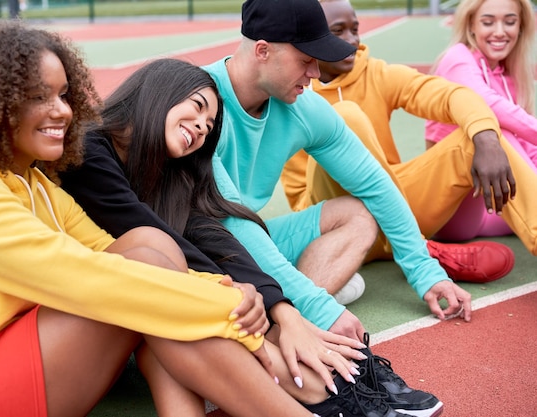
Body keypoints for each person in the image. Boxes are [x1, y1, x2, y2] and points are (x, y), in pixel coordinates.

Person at [0, 21, 324, 417]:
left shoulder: (32, 181)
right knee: (144, 286)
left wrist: (223, 286)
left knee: (149, 245)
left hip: (16, 347)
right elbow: (86, 276)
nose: (63, 112)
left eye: (64, 95)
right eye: (40, 96)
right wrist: (229, 309)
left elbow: (103, 248)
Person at [59, 57, 443, 417]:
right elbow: (155, 239)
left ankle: (328, 381)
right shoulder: (90, 149)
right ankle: (321, 390)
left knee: (199, 305)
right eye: (195, 107)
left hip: (142, 324)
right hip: (81, 327)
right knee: (184, 290)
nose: (200, 127)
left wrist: (283, 309)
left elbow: (213, 234)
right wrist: (246, 302)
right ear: (157, 94)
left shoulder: (166, 168)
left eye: (209, 125)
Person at [279, 0, 519, 284]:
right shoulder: (289, 90)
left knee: (475, 138)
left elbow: (451, 95)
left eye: (355, 29)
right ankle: (420, 248)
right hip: (331, 221)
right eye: (338, 32)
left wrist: (486, 138)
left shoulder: (377, 73)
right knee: (345, 117)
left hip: (393, 207)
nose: (352, 41)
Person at [424, 0, 537, 242]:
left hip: (492, 206)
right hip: (451, 210)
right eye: (488, 22)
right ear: (471, 24)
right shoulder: (457, 59)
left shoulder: (510, 75)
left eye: (510, 21)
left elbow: (528, 149)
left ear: (521, 26)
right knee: (492, 133)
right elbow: (487, 104)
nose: (499, 31)